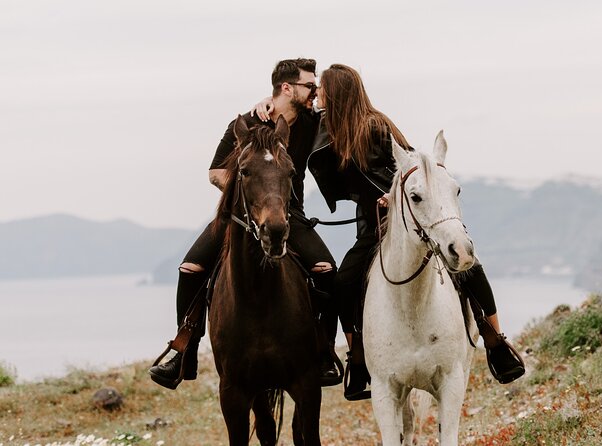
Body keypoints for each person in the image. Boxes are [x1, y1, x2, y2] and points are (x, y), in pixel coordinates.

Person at [271, 64, 525, 400]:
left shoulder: (377, 126)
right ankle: (358, 357)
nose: (318, 96)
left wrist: (395, 194)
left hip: (404, 219)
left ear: (339, 93)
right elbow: (288, 110)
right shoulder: (325, 127)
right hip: (370, 223)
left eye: (324, 91)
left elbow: (412, 165)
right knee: (344, 283)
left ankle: (495, 340)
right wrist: (264, 103)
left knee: (468, 265)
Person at [149, 58, 341, 390]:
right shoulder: (246, 123)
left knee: (326, 269)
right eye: (311, 86)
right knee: (190, 268)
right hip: (239, 213)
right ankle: (184, 352)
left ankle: (323, 353)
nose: (315, 92)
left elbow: (340, 118)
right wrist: (251, 193)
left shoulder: (313, 122)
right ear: (287, 88)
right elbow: (214, 172)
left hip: (290, 214)